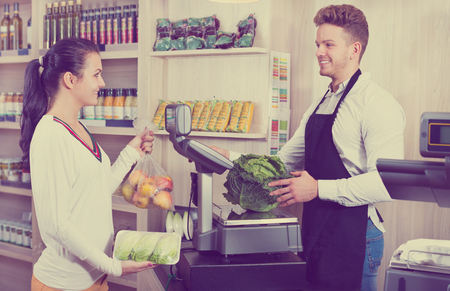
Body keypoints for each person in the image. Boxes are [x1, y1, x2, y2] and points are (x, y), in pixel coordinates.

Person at [212, 5, 405, 291]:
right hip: (318, 232)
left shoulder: (377, 103)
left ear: (354, 49)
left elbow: (387, 184)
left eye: (329, 44)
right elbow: (282, 163)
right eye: (317, 44)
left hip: (356, 238)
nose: (318, 51)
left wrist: (317, 189)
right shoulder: (321, 102)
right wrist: (229, 157)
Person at [20, 38, 156, 291]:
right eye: (96, 75)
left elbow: (95, 191)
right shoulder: (51, 134)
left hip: (95, 278)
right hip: (64, 284)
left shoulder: (77, 126)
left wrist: (130, 153)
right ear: (70, 80)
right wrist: (112, 266)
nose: (102, 83)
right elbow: (58, 224)